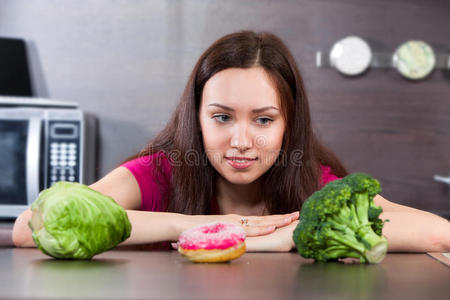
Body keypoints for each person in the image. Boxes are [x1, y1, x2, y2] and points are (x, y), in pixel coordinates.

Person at [12, 31, 450, 252]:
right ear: (196, 117)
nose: (241, 141)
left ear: (288, 124)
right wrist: (195, 227)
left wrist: (294, 234)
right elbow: (29, 228)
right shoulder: (158, 174)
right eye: (222, 117)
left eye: (263, 119)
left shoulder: (313, 185)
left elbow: (439, 232)